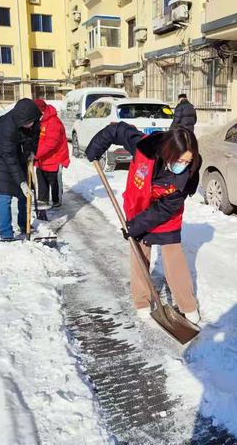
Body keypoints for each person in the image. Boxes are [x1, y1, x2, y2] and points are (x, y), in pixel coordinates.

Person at [85, 122, 202, 325]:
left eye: (187, 160)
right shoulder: (145, 146)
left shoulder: (188, 173)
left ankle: (188, 305)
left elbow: (165, 209)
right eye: (180, 160)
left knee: (174, 259)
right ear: (168, 152)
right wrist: (96, 147)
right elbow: (117, 129)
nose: (183, 164)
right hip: (138, 206)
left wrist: (134, 226)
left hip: (166, 215)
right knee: (139, 255)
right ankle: (142, 302)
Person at [0, 98, 41, 241]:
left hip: (19, 155)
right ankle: (6, 233)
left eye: (31, 122)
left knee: (25, 194)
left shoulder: (34, 121)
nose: (30, 125)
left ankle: (25, 224)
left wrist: (32, 152)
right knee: (5, 194)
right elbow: (9, 157)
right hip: (1, 158)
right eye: (27, 123)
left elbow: (34, 138)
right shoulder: (6, 126)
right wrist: (21, 182)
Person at [33, 99, 70, 209]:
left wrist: (35, 154)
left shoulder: (53, 122)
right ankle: (43, 200)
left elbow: (50, 143)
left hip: (55, 158)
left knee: (54, 181)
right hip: (42, 159)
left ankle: (56, 200)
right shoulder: (40, 121)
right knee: (41, 178)